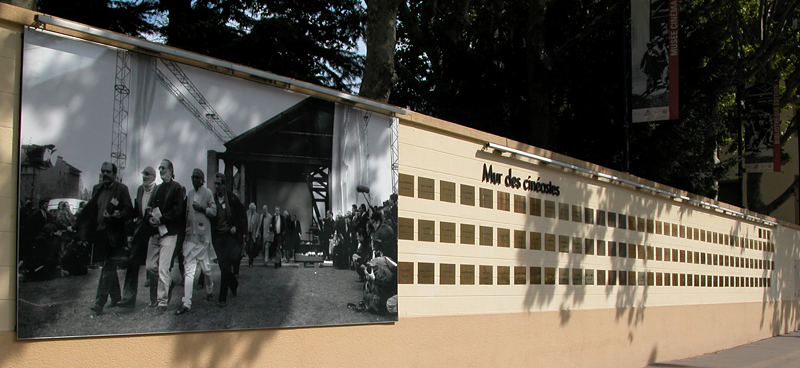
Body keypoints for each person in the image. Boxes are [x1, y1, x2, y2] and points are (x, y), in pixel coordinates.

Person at [76, 162, 132, 315]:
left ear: (114, 174)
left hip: (114, 235)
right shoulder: (96, 189)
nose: (105, 174)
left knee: (108, 266)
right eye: (103, 172)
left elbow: (129, 211)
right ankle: (116, 298)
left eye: (108, 172)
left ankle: (99, 302)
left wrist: (116, 215)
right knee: (109, 267)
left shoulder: (121, 189)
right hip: (100, 234)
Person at [145, 159, 185, 312]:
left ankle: (162, 301)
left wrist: (161, 219)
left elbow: (177, 212)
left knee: (163, 268)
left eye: (163, 168)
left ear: (170, 170)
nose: (161, 171)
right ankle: (169, 283)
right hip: (156, 232)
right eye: (159, 168)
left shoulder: (176, 188)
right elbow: (150, 207)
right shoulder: (157, 189)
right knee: (150, 267)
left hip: (169, 233)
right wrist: (150, 217)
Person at [176, 169, 217, 315]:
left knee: (206, 269)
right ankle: (186, 302)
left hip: (203, 238)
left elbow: (214, 211)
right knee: (189, 270)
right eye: (193, 178)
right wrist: (186, 234)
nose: (195, 180)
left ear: (202, 180)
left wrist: (202, 209)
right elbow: (187, 216)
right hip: (191, 238)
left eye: (198, 178)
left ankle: (210, 289)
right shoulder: (190, 195)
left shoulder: (208, 193)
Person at [118, 166, 157, 309]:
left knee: (152, 267)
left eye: (147, 174)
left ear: (154, 176)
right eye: (143, 174)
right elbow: (137, 212)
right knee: (132, 262)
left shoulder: (158, 190)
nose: (144, 177)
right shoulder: (140, 189)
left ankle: (154, 298)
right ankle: (128, 298)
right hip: (139, 233)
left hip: (153, 233)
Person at [211, 173, 246, 307]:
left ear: (224, 185)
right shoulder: (213, 200)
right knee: (223, 267)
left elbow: (242, 215)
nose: (216, 187)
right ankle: (234, 284)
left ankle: (222, 298)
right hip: (218, 238)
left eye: (219, 184)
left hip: (229, 237)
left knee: (225, 268)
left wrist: (236, 227)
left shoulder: (232, 198)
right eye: (215, 184)